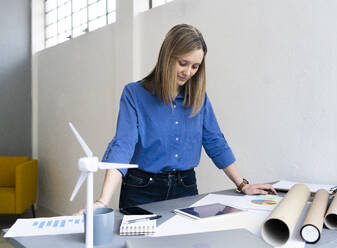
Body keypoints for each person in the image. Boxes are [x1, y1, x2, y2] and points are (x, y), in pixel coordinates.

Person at [75, 24, 276, 214]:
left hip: (185, 187)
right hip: (141, 189)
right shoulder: (134, 94)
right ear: (167, 57)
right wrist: (103, 201)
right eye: (183, 63)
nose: (188, 72)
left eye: (195, 66)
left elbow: (215, 141)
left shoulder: (199, 98)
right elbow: (123, 145)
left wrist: (242, 184)